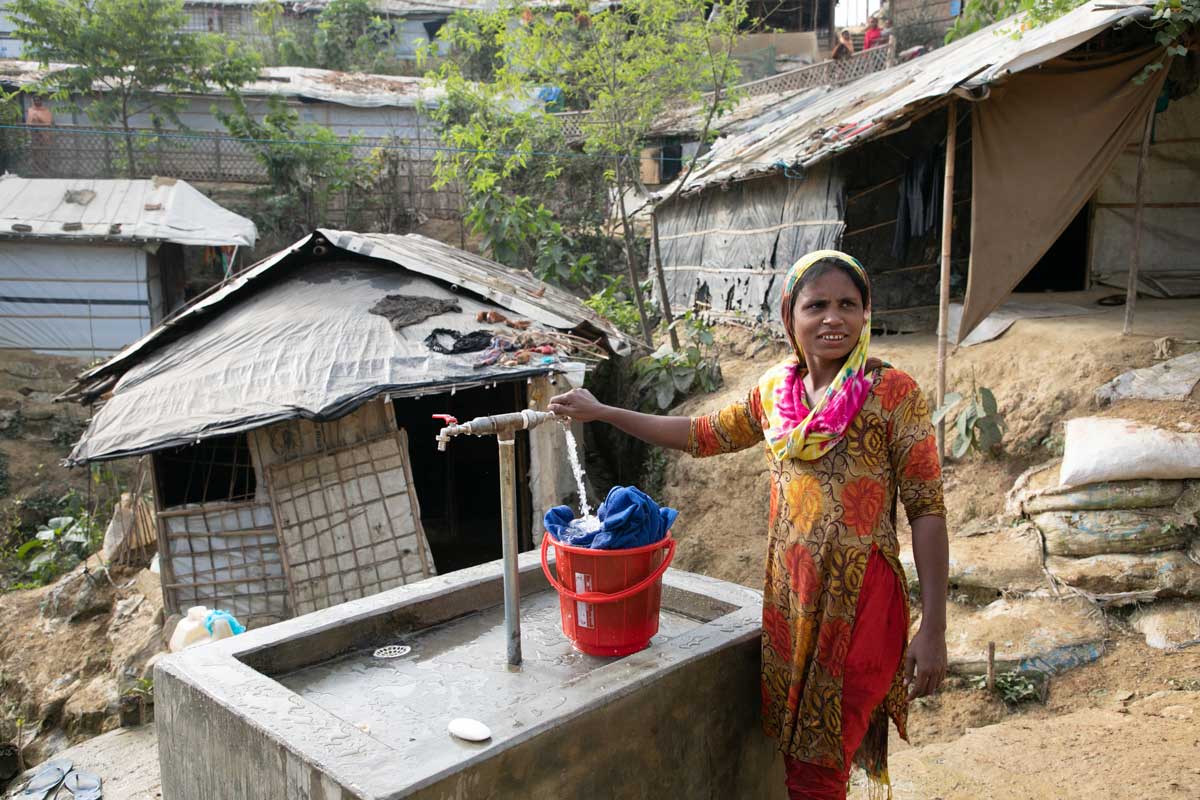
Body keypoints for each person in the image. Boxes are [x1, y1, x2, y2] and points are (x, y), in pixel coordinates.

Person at [549, 251, 949, 800]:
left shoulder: (893, 395)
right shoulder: (773, 396)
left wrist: (934, 628)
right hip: (791, 598)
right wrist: (605, 412)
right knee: (802, 754)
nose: (833, 318)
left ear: (866, 315)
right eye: (817, 306)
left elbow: (927, 509)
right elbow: (700, 434)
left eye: (848, 306)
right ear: (791, 317)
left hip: (862, 600)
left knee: (821, 761)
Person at [24, 96, 53, 177]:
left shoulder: (46, 111)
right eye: (35, 100)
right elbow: (29, 122)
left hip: (44, 136)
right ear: (33, 101)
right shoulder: (30, 110)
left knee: (44, 153)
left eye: (38, 100)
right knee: (34, 153)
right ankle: (35, 172)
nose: (37, 102)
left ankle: (45, 172)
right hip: (34, 136)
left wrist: (38, 119)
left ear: (41, 101)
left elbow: (48, 122)